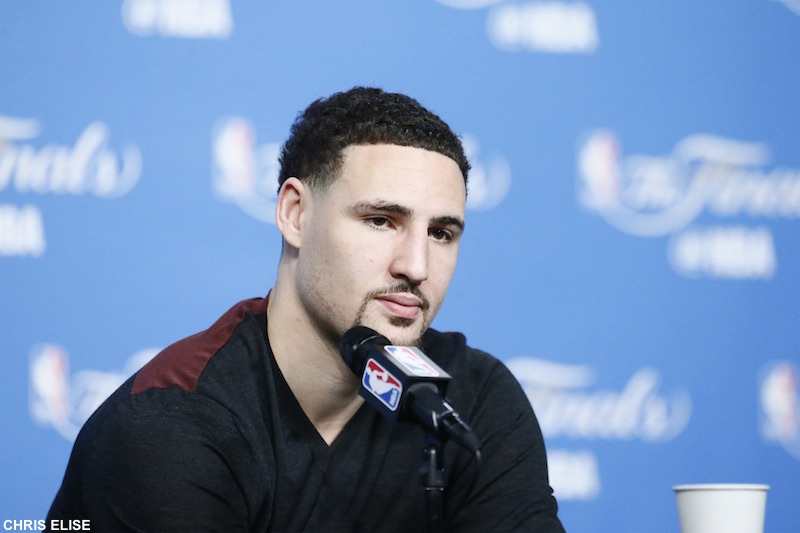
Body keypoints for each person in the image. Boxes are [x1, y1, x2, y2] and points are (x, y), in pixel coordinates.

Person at [46, 87, 564, 532]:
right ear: (295, 214)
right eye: (381, 220)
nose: (416, 265)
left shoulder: (469, 402)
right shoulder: (175, 421)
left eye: (441, 233)